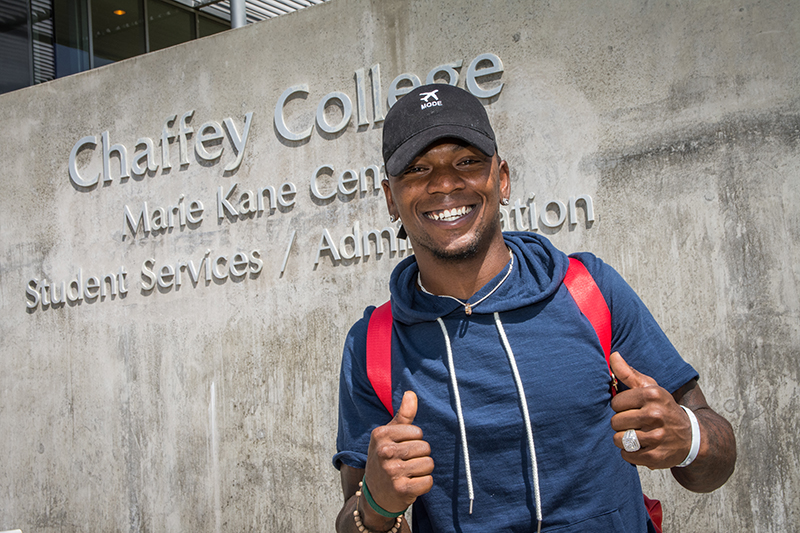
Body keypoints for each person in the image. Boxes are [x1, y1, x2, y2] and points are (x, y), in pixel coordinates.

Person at [333, 84, 736, 533]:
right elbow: (354, 517)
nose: (445, 183)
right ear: (391, 198)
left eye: (466, 161)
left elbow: (716, 462)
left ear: (501, 178)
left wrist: (688, 438)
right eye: (417, 168)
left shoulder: (589, 290)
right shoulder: (372, 344)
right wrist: (376, 507)